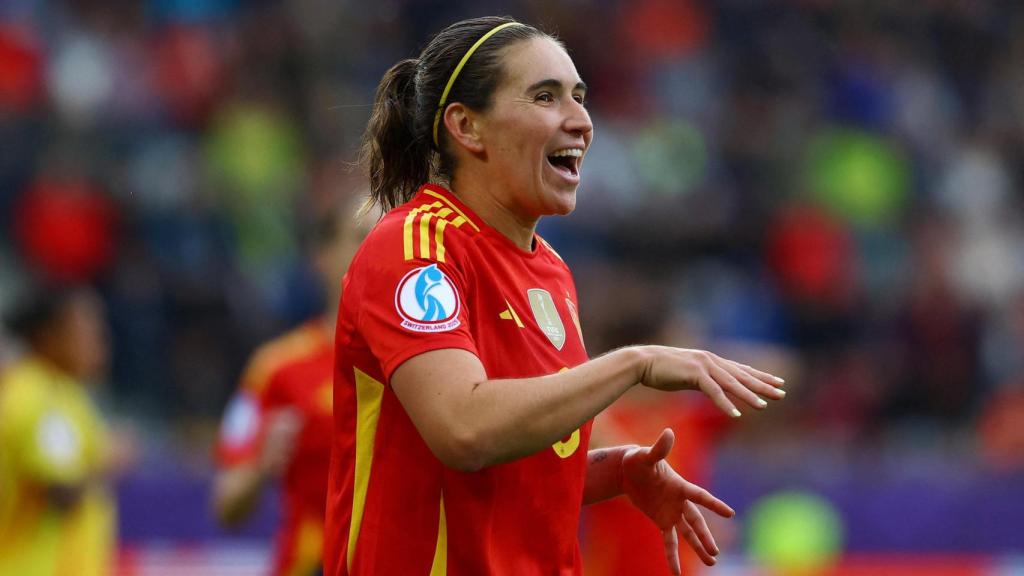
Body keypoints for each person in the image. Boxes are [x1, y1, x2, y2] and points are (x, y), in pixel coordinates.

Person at [323, 16, 786, 576]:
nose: (581, 121)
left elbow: (513, 468)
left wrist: (618, 470)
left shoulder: (551, 271)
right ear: (466, 127)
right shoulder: (415, 247)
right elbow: (464, 430)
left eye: (579, 98)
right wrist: (633, 364)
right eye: (545, 96)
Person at [212, 198, 370, 576]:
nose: (379, 249)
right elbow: (226, 503)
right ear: (322, 256)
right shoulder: (276, 368)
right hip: (311, 563)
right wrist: (260, 466)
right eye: (361, 236)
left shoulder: (432, 362)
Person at [0, 284, 119, 576]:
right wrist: (108, 460)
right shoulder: (34, 396)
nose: (99, 339)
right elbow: (62, 493)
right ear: (48, 336)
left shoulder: (66, 393)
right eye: (86, 329)